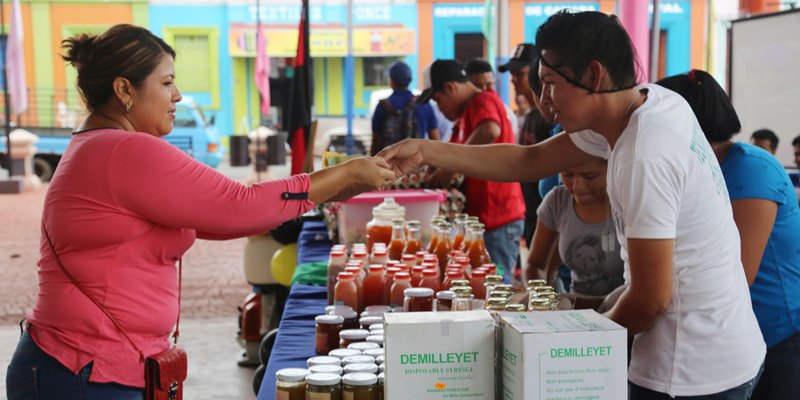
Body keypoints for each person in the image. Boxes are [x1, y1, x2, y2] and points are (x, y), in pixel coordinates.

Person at [380, 10, 765, 399]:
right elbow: (528, 161)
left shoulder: (644, 153)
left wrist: (572, 348)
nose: (544, 100)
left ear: (593, 76)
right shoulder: (649, 106)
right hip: (725, 346)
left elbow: (650, 301)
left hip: (689, 369)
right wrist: (428, 151)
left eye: (549, 83)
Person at [5, 24, 395, 399]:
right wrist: (343, 172)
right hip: (81, 370)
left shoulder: (102, 146)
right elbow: (241, 205)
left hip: (91, 366)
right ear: (124, 89)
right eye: (167, 82)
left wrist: (343, 183)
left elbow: (219, 216)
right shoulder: (122, 150)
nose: (177, 96)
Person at [657, 69, 800, 400]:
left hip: (779, 335)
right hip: (729, 337)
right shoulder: (698, 168)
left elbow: (737, 274)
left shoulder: (751, 169)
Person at [417, 59, 525, 283]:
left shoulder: (481, 101)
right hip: (485, 220)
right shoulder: (464, 118)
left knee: (496, 289)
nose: (440, 109)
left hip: (499, 218)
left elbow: (490, 129)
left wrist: (452, 167)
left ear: (450, 88)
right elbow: (448, 153)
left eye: (438, 100)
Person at [525, 157, 624, 301]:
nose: (577, 186)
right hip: (575, 314)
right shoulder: (558, 201)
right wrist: (539, 296)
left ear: (613, 168)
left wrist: (580, 304)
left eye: (590, 176)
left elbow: (643, 291)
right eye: (567, 175)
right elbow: (535, 265)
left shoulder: (628, 204)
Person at [499, 43, 552, 247]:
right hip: (530, 215)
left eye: (518, 73)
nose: (513, 80)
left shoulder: (549, 118)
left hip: (546, 219)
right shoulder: (530, 115)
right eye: (511, 74)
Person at [370, 61, 439, 155]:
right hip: (417, 165)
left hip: (388, 166)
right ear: (410, 80)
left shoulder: (382, 106)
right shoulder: (423, 104)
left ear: (391, 81)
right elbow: (435, 141)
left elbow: (375, 142)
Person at [464, 58, 519, 139]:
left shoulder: (508, 113)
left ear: (494, 83)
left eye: (489, 85)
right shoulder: (462, 111)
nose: (484, 91)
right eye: (478, 86)